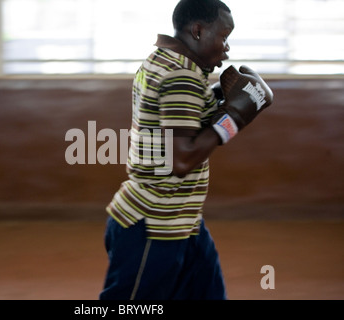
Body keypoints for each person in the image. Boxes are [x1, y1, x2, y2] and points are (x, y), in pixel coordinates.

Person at [99, 0, 273, 300]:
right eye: (224, 36)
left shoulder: (162, 60)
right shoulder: (182, 76)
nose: (227, 48)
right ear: (197, 30)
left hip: (183, 220)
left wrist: (219, 100)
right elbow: (181, 159)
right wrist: (234, 117)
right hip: (154, 223)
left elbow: (180, 121)